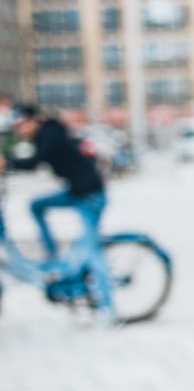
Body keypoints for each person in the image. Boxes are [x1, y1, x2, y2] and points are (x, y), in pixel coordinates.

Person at [3, 103, 115, 322]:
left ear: (33, 120)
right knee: (36, 205)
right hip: (75, 191)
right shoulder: (47, 133)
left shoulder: (50, 134)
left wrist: (7, 163)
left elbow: (35, 161)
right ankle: (52, 254)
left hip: (90, 197)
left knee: (92, 250)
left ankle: (107, 308)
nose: (19, 130)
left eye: (21, 125)